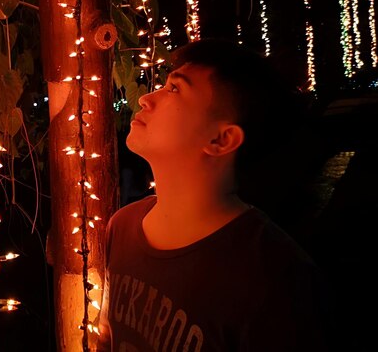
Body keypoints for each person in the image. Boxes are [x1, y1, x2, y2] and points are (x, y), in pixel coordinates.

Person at [96, 38, 337, 351]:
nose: (145, 100)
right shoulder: (122, 227)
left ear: (222, 139)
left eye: (174, 89)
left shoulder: (276, 279)